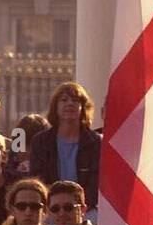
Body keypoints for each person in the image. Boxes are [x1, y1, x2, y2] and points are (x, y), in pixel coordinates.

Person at [29, 82, 102, 217]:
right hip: (51, 208)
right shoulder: (39, 141)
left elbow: (96, 182)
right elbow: (38, 179)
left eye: (75, 100)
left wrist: (78, 208)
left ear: (83, 107)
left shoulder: (96, 142)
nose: (70, 104)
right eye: (64, 100)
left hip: (85, 209)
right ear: (55, 107)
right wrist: (56, 206)